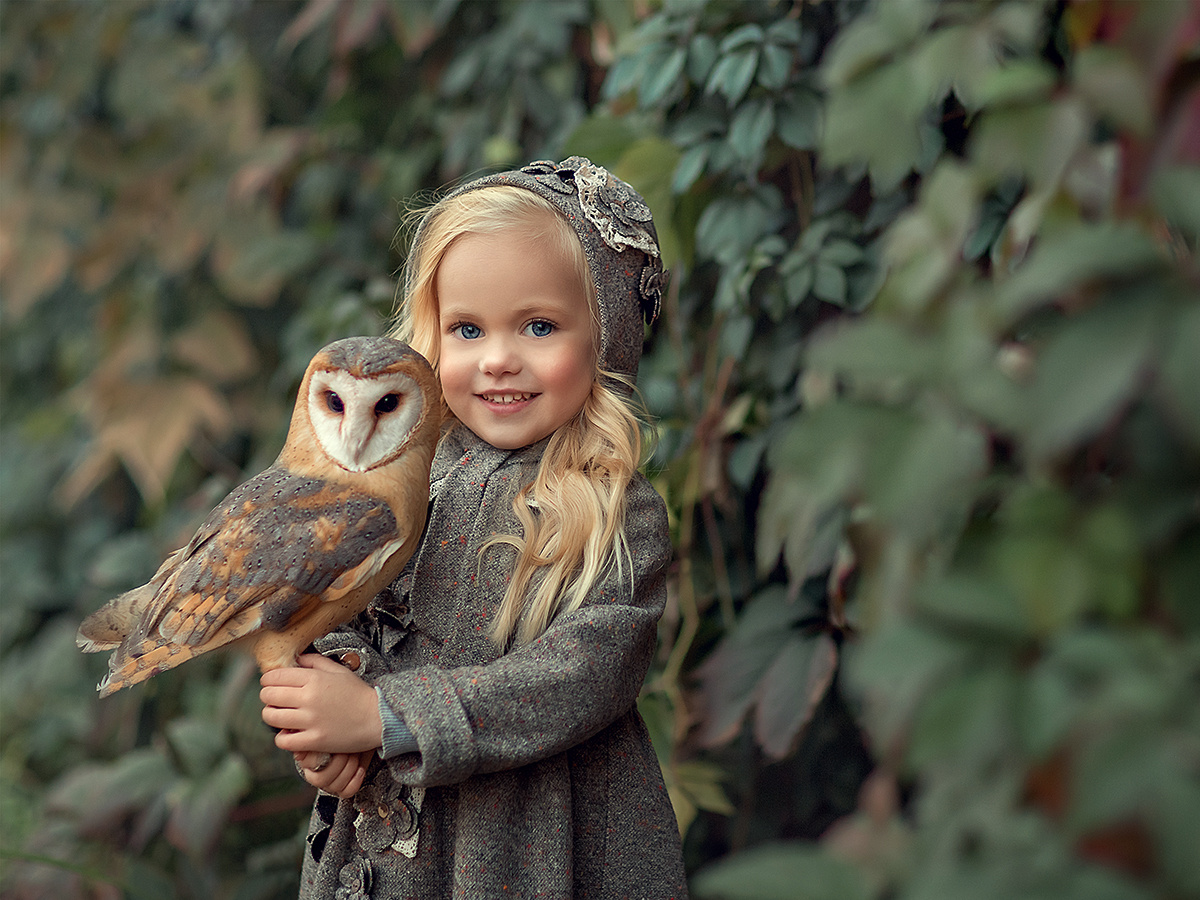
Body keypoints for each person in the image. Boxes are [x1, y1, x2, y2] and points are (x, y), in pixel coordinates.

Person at [259, 157, 688, 899]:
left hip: (537, 844)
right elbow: (343, 607)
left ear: (606, 339)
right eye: (466, 328)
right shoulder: (399, 480)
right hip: (391, 839)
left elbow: (579, 677)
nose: (497, 359)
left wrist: (386, 715)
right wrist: (332, 717)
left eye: (539, 326)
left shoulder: (614, 509)